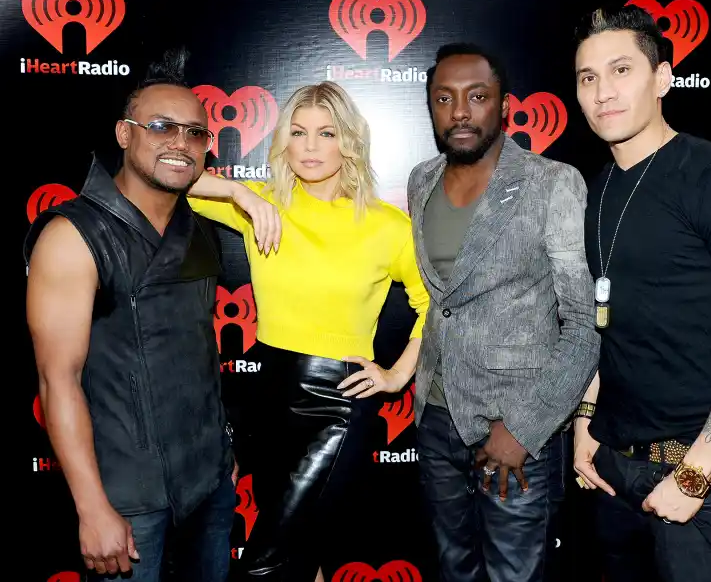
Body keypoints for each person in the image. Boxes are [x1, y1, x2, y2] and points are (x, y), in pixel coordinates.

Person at [571, 5, 711, 582]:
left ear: (663, 78)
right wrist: (585, 426)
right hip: (613, 469)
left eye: (622, 70)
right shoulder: (598, 189)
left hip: (698, 479)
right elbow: (607, 321)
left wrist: (695, 475)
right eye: (588, 78)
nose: (603, 92)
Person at [185, 80, 430, 581]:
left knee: (266, 562)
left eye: (327, 132)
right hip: (268, 396)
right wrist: (236, 191)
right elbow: (167, 179)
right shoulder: (260, 205)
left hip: (338, 403)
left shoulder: (388, 226)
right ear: (283, 142)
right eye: (298, 133)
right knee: (301, 556)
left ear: (350, 142)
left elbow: (435, 307)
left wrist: (397, 375)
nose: (311, 147)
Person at [24, 50, 242, 581]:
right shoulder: (72, 235)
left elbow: (199, 353)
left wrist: (220, 456)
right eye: (162, 126)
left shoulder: (199, 226)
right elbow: (58, 381)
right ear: (125, 134)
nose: (180, 143)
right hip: (126, 497)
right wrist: (92, 507)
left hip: (208, 483)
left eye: (195, 133)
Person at [405, 43, 600, 582]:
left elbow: (583, 325)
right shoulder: (421, 181)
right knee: (453, 567)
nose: (460, 111)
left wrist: (525, 427)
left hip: (513, 428)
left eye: (477, 97)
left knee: (516, 573)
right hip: (437, 417)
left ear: (504, 104)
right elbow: (442, 304)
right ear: (431, 106)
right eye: (444, 98)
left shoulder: (551, 183)